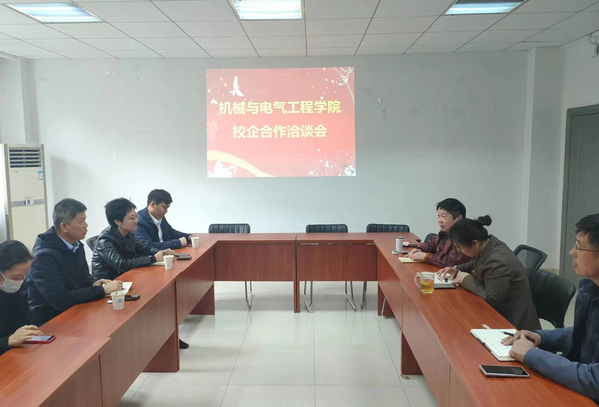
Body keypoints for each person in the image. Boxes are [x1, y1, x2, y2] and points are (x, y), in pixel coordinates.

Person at [503, 214, 599, 403]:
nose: (572, 252)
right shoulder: (590, 288)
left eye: (579, 247)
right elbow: (586, 333)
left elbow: (595, 381)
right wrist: (540, 337)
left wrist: (531, 355)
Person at [27, 199, 123, 326]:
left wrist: (93, 282)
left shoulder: (76, 245)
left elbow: (82, 277)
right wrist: (102, 290)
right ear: (64, 227)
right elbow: (59, 299)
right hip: (52, 321)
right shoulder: (43, 257)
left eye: (85, 220)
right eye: (81, 221)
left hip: (76, 309)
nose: (86, 225)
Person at [438, 216, 541, 331]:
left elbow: (491, 301)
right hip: (500, 314)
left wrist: (466, 279)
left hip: (514, 325)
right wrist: (457, 268)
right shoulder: (489, 244)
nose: (459, 251)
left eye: (460, 247)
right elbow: (479, 263)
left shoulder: (498, 261)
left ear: (474, 243)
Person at [92, 198, 172, 281]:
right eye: (131, 218)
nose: (136, 221)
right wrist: (153, 258)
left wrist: (161, 252)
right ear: (117, 222)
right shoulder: (105, 240)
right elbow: (121, 264)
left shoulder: (128, 233)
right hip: (108, 282)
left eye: (136, 216)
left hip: (127, 275)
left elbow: (143, 248)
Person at [0, 240, 43, 355]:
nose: (21, 280)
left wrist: (30, 330)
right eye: (16, 277)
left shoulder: (20, 286)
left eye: (25, 275)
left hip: (16, 350)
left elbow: (24, 319)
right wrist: (7, 341)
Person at [408, 198, 473, 267]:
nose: (439, 220)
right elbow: (432, 243)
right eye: (438, 216)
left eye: (443, 216)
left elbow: (451, 262)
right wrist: (420, 249)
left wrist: (426, 257)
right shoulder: (445, 231)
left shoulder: (464, 236)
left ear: (458, 218)